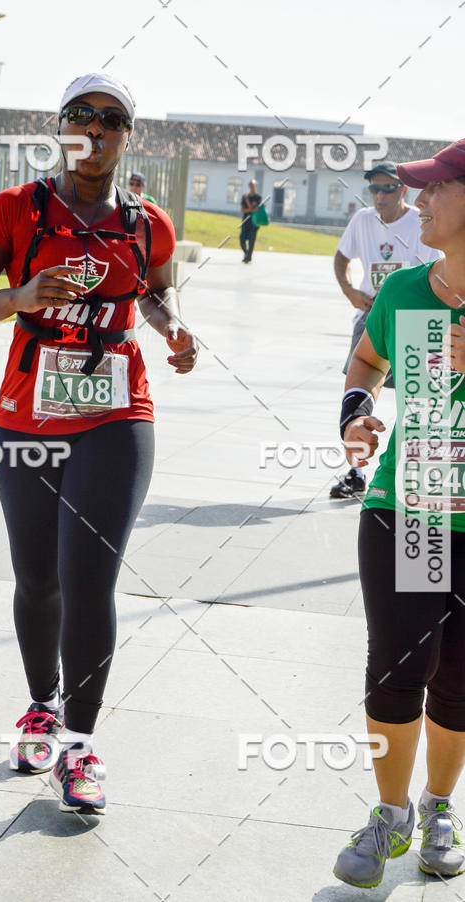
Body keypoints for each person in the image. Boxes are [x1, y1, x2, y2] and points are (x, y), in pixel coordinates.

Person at [0, 72, 198, 815]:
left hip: (117, 413)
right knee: (39, 580)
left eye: (111, 118)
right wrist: (18, 298)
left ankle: (80, 750)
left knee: (88, 580)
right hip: (26, 417)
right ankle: (40, 705)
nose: (95, 128)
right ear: (61, 128)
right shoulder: (15, 210)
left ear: (128, 135)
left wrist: (172, 327)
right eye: (80, 115)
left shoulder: (150, 220)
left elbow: (156, 289)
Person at [333, 138, 465, 888]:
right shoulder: (406, 291)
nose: (417, 202)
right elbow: (368, 361)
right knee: (398, 665)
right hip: (409, 506)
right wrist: (357, 413)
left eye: (434, 189)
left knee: (459, 678)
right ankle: (390, 814)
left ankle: (440, 805)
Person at [330, 162, 441, 499]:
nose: (379, 196)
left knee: (417, 394)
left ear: (402, 191)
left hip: (412, 318)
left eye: (387, 189)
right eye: (374, 189)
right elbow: (341, 258)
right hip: (371, 316)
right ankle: (356, 471)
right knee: (359, 389)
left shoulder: (422, 222)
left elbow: (429, 272)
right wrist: (351, 293)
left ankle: (418, 465)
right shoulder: (363, 220)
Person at [240, 179, 262, 263]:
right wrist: (250, 209)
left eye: (253, 185)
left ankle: (248, 257)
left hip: (254, 222)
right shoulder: (245, 196)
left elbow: (255, 209)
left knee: (251, 240)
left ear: (256, 186)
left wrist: (247, 202)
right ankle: (246, 253)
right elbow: (242, 209)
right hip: (245, 220)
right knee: (242, 239)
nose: (252, 186)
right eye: (250, 185)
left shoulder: (258, 197)